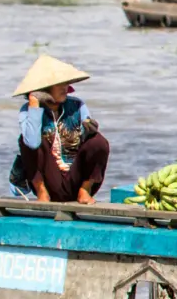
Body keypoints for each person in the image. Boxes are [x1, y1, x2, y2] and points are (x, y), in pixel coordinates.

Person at [9, 55, 110, 203]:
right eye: (59, 84)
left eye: (65, 83)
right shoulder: (27, 110)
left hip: (75, 176)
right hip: (50, 180)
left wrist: (89, 130)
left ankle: (85, 190)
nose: (65, 88)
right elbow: (31, 143)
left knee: (98, 141)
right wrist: (35, 105)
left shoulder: (78, 106)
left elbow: (88, 141)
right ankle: (42, 192)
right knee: (26, 141)